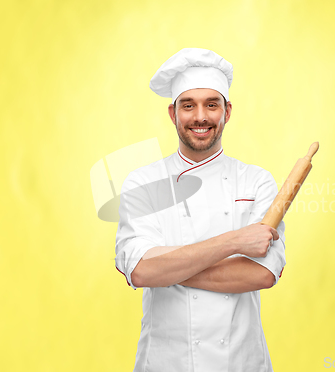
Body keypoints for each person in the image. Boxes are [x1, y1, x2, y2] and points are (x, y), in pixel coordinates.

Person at [115, 48, 286, 372]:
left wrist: (168, 269)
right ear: (172, 113)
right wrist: (234, 242)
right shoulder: (143, 182)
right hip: (166, 363)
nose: (200, 117)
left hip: (240, 362)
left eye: (211, 104)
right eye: (188, 105)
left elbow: (263, 274)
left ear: (227, 111)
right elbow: (140, 272)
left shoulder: (257, 181)